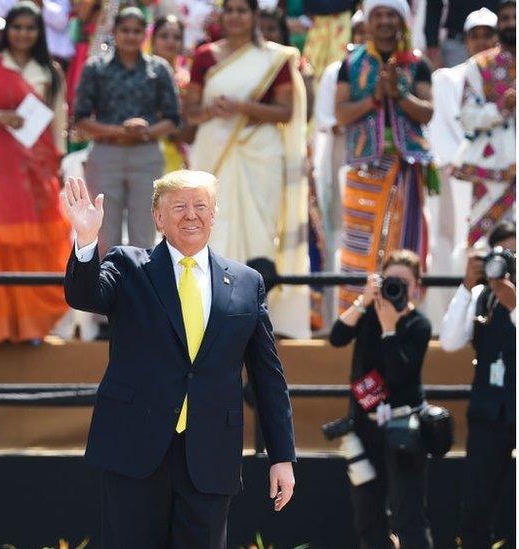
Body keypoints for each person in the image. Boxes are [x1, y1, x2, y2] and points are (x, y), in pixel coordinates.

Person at [62, 172, 296, 548]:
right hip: (133, 452)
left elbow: (268, 377)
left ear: (214, 214)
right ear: (158, 217)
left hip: (209, 458)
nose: (192, 215)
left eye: (201, 206)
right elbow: (85, 295)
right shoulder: (128, 265)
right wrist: (87, 240)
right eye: (180, 206)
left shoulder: (246, 282)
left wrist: (281, 456)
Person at [185, 0, 310, 338]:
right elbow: (191, 112)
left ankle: (255, 316)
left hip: (261, 154)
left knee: (260, 231)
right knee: (212, 223)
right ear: (221, 16)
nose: (236, 17)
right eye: (231, 10)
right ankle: (211, 315)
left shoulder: (276, 58)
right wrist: (212, 110)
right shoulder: (204, 56)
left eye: (243, 10)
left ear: (255, 16)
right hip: (215, 149)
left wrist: (243, 107)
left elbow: (285, 112)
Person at [0, 1, 70, 343]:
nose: (23, 34)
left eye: (30, 28)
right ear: (8, 30)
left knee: (40, 245)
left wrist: (58, 163)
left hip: (36, 173)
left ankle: (33, 326)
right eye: (17, 27)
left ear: (39, 33)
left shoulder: (49, 71)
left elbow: (59, 122)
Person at [333, 0, 435, 315]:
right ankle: (357, 313)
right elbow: (341, 113)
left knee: (402, 243)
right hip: (365, 167)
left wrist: (399, 95)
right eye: (379, 14)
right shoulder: (352, 63)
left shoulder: (417, 63)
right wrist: (375, 98)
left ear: (402, 21)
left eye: (392, 14)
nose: (386, 21)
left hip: (405, 167)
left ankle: (402, 312)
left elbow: (427, 111)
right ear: (369, 20)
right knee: (360, 241)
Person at [329, 249, 433, 548]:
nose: (396, 287)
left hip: (404, 431)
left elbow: (401, 372)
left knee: (409, 516)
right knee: (368, 516)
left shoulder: (418, 325)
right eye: (391, 280)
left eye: (404, 282)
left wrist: (390, 328)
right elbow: (336, 338)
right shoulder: (367, 315)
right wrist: (363, 302)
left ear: (416, 286)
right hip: (364, 429)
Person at [74, 7, 180, 251]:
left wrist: (146, 131)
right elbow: (80, 119)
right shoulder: (96, 68)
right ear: (115, 31)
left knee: (144, 234)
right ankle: (105, 287)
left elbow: (173, 119)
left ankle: (139, 288)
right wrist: (118, 131)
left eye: (136, 31)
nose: (131, 36)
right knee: (103, 234)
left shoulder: (159, 68)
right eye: (125, 30)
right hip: (106, 153)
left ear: (145, 33)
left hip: (146, 154)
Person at [439, 221, 516, 549]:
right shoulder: (483, 296)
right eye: (503, 255)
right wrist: (467, 287)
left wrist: (514, 305)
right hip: (488, 415)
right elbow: (450, 340)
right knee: (475, 509)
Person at [422, 7, 498, 323]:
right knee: (446, 246)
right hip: (455, 177)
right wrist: (461, 165)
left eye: (487, 35)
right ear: (465, 41)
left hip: (498, 181)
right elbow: (440, 128)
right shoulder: (446, 78)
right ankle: (445, 322)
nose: (481, 42)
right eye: (475, 36)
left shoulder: (510, 77)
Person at [312, 10, 367, 313]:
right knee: (339, 233)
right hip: (341, 153)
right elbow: (326, 119)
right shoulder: (338, 70)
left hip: (373, 161)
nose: (361, 37)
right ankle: (336, 314)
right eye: (357, 31)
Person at [451, 0, 516, 251]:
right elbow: (467, 115)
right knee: (484, 247)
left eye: (516, 17)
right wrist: (501, 108)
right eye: (506, 18)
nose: (511, 23)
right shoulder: (481, 64)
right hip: (492, 168)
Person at [150, 14, 193, 174]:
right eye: (164, 36)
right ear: (153, 40)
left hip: (178, 152)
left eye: (176, 37)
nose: (170, 41)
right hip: (143, 149)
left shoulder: (186, 79)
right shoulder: (139, 74)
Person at [424, 0, 498, 68]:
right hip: (456, 43)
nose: (480, 41)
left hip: (493, 41)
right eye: (476, 36)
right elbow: (434, 7)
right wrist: (432, 44)